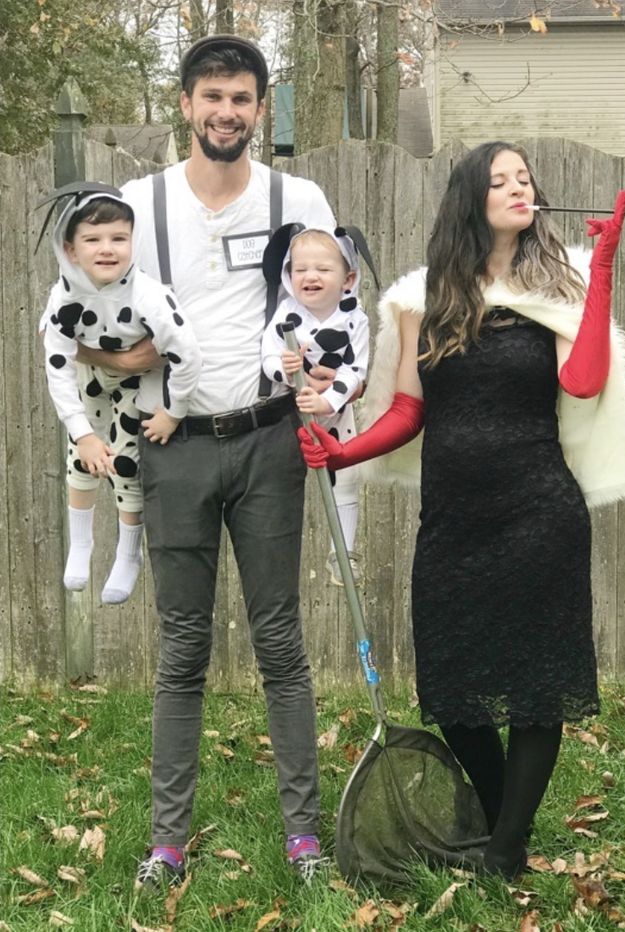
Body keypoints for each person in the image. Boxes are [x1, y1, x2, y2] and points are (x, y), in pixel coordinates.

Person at [299, 141, 625, 879]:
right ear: (470, 198)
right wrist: (343, 453)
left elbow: (583, 384)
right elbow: (404, 410)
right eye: (500, 179)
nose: (519, 187)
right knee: (452, 688)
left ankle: (505, 847)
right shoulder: (422, 299)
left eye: (525, 177)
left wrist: (605, 268)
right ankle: (498, 824)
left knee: (535, 682)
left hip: (538, 513)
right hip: (454, 518)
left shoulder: (558, 287)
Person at [75, 36, 335, 887]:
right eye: (212, 96)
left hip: (267, 442)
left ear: (262, 108)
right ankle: (166, 843)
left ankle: (304, 840)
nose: (227, 112)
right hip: (172, 447)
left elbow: (336, 308)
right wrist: (112, 365)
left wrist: (337, 374)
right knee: (182, 648)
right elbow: (87, 309)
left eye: (242, 98)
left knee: (280, 643)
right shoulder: (138, 204)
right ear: (184, 103)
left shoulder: (299, 197)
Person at [40, 188, 201, 604]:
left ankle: (128, 554)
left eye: (118, 238)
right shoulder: (64, 297)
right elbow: (57, 364)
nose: (107, 249)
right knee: (83, 456)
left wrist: (173, 411)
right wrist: (83, 433)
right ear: (71, 250)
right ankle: (81, 544)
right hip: (89, 374)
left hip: (139, 380)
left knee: (125, 463)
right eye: (93, 240)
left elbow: (188, 354)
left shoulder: (148, 296)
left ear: (133, 241)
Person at [261, 227, 369, 585]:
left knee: (345, 477)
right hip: (288, 411)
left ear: (347, 278)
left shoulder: (355, 318)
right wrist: (284, 368)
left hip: (335, 410)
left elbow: (356, 371)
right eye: (301, 269)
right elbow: (268, 356)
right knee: (280, 477)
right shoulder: (286, 314)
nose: (310, 277)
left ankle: (343, 553)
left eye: (323, 269)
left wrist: (328, 400)